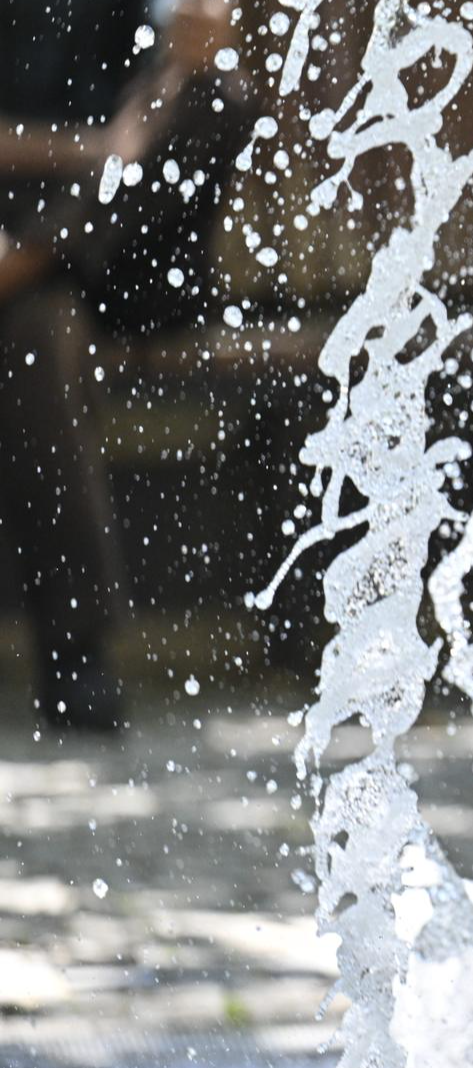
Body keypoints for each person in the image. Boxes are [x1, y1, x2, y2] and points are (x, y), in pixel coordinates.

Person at [0, 0, 250, 730]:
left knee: (207, 96)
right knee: (36, 336)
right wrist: (102, 147)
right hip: (37, 269)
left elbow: (164, 123)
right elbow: (120, 140)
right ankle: (75, 652)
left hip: (114, 261)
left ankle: (29, 259)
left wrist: (112, 147)